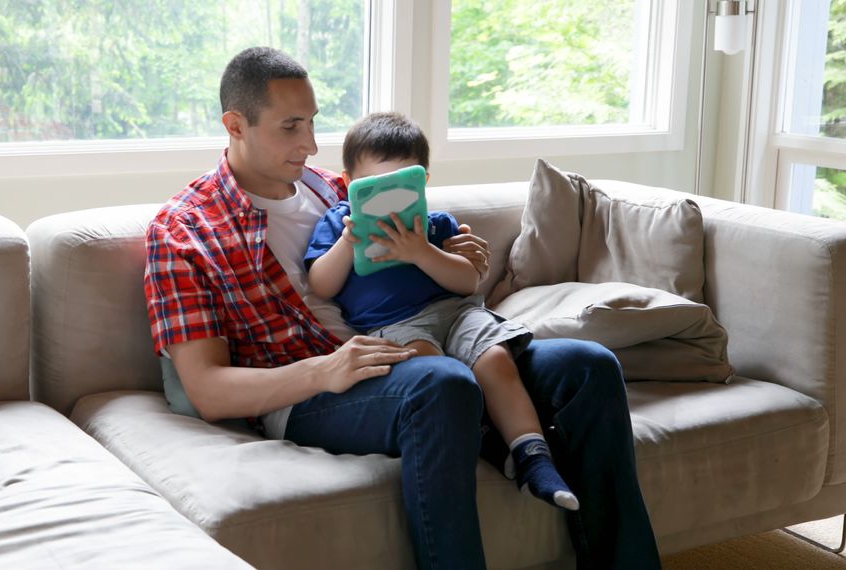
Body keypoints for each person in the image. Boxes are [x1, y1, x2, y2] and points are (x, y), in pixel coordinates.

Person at [144, 46, 660, 569]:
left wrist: (451, 252)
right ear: (236, 125)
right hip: (314, 387)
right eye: (290, 127)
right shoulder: (184, 231)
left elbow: (420, 237)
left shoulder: (341, 188)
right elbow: (207, 390)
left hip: (419, 344)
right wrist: (324, 371)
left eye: (314, 123)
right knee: (440, 385)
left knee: (589, 368)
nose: (311, 144)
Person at [306, 111, 577, 512]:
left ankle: (533, 455)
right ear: (349, 184)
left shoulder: (437, 225)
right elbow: (321, 285)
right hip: (394, 325)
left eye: (401, 187)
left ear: (422, 184)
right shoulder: (337, 224)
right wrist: (348, 241)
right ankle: (487, 438)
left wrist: (422, 251)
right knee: (433, 371)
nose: (389, 203)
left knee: (496, 359)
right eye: (374, 188)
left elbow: (467, 282)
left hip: (457, 312)